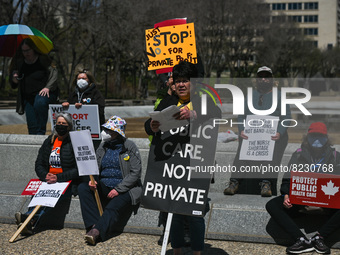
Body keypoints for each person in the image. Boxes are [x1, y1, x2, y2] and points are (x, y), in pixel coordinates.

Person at [145, 61, 221, 255]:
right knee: (176, 212)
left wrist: (194, 113)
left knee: (196, 213)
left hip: (196, 166)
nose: (181, 85)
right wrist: (151, 126)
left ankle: (197, 252)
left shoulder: (203, 100)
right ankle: (176, 250)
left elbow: (216, 113)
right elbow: (149, 123)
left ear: (193, 82)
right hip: (173, 166)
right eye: (178, 81)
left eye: (185, 81)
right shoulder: (168, 102)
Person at [266, 122, 340, 254]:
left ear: (326, 138)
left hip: (327, 204)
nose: (317, 139)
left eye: (320, 136)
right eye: (314, 135)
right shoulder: (298, 155)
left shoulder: (336, 156)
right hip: (301, 202)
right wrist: (286, 195)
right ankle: (301, 240)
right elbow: (287, 180)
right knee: (272, 204)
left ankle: (320, 238)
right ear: (307, 137)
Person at [224, 66, 291, 197]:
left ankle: (266, 183)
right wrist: (241, 130)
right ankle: (234, 182)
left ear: (272, 79)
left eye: (267, 77)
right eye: (261, 77)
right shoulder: (250, 95)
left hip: (273, 135)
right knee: (241, 154)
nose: (264, 79)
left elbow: (287, 117)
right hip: (251, 134)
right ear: (256, 79)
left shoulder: (279, 96)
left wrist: (279, 132)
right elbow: (241, 116)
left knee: (270, 154)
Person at [78, 115, 142, 245]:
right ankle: (93, 226)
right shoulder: (103, 146)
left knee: (113, 206)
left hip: (126, 188)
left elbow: (136, 173)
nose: (105, 133)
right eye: (105, 129)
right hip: (104, 185)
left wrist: (118, 189)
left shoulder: (129, 146)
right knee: (83, 188)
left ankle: (96, 233)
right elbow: (95, 167)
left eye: (109, 130)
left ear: (117, 132)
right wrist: (93, 180)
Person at [14, 112, 80, 234]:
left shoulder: (74, 143)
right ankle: (29, 222)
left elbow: (78, 169)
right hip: (48, 179)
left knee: (50, 198)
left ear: (69, 126)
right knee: (39, 194)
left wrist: (58, 177)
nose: (60, 125)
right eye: (58, 123)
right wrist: (45, 175)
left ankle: (28, 218)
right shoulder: (49, 141)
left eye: (64, 124)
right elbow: (39, 163)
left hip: (66, 182)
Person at [9, 38, 59, 135]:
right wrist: (14, 79)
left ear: (33, 49)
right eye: (23, 51)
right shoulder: (19, 63)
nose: (26, 53)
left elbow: (54, 74)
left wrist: (47, 87)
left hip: (44, 94)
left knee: (39, 102)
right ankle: (34, 142)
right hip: (28, 98)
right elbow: (14, 85)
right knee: (32, 127)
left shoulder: (43, 60)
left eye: (28, 50)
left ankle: (41, 133)